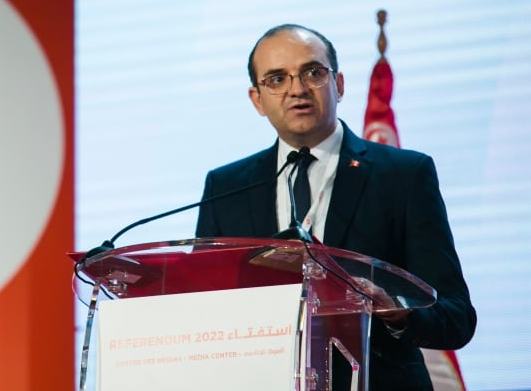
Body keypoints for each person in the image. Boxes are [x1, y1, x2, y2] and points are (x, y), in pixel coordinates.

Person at [195, 23, 476, 390]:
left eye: (313, 72)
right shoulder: (226, 187)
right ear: (257, 100)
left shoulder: (404, 175)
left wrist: (399, 314)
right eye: (277, 79)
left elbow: (456, 317)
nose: (297, 89)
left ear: (339, 85)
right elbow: (201, 310)